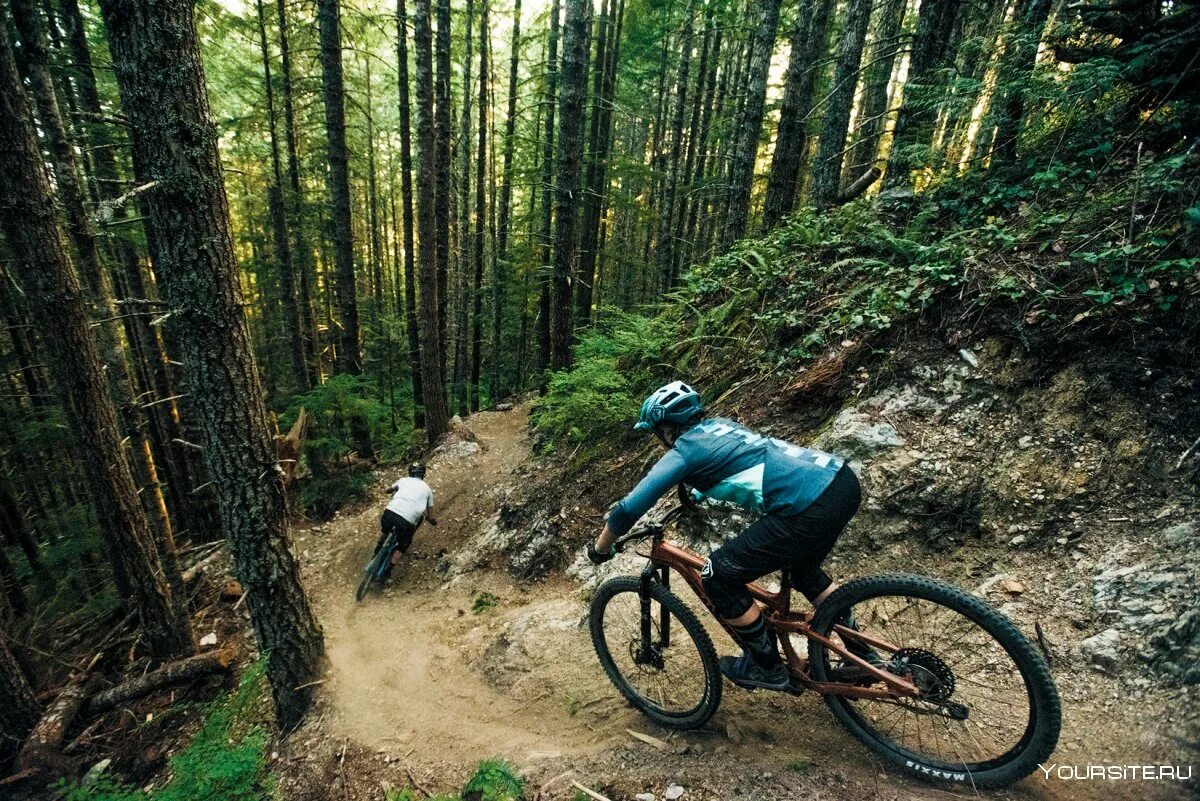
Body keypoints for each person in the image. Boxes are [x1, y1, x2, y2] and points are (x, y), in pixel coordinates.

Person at [587, 381, 862, 691]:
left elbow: (627, 509)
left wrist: (601, 549)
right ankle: (865, 655)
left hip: (807, 505)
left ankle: (767, 668)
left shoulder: (685, 451)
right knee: (804, 571)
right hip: (841, 482)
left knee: (717, 575)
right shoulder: (721, 427)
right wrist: (698, 492)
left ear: (666, 429)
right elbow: (736, 462)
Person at [376, 462, 437, 579]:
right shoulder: (427, 490)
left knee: (385, 528)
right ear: (423, 474)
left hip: (390, 512)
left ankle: (377, 549)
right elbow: (430, 514)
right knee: (404, 543)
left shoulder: (403, 480)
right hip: (406, 521)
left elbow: (388, 490)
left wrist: (388, 491)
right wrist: (432, 520)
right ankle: (388, 570)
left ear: (410, 472)